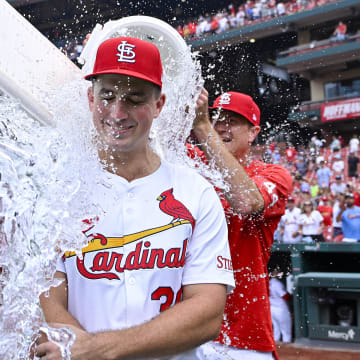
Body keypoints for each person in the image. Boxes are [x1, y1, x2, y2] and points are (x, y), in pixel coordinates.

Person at [36, 37, 235, 360]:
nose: (117, 112)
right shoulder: (57, 190)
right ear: (90, 98)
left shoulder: (195, 191)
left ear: (159, 105)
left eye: (134, 99)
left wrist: (97, 350)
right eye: (108, 96)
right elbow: (48, 297)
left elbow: (208, 312)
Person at [193, 90, 292, 360]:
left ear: (253, 132)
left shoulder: (274, 174)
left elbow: (246, 202)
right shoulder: (191, 165)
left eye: (232, 120)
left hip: (242, 337)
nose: (222, 127)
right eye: (216, 119)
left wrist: (203, 128)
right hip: (186, 330)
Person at [269, 269, 292, 343]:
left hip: (272, 308)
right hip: (280, 309)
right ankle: (287, 346)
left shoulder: (269, 283)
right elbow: (285, 296)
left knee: (277, 330)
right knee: (286, 331)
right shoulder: (277, 284)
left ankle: (278, 348)